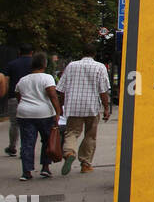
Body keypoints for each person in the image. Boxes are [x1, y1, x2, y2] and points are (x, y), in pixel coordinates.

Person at [55, 43, 110, 174]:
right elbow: (103, 90)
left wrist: (61, 106)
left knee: (72, 132)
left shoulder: (71, 66)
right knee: (90, 135)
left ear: (82, 53)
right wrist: (106, 108)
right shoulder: (100, 67)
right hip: (92, 106)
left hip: (73, 106)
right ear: (94, 54)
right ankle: (85, 163)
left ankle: (69, 152)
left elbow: (61, 89)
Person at [14, 52, 61, 181]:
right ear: (45, 64)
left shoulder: (23, 79)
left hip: (24, 113)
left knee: (27, 142)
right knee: (47, 140)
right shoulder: (47, 78)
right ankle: (45, 167)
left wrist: (24, 105)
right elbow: (52, 95)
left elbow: (18, 95)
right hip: (44, 113)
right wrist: (57, 112)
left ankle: (26, 171)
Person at [2, 44, 35, 157]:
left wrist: (5, 93)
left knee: (14, 123)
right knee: (29, 124)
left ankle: (12, 146)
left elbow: (6, 80)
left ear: (19, 52)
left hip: (14, 96)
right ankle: (25, 148)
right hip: (32, 97)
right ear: (32, 52)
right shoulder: (35, 65)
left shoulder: (12, 64)